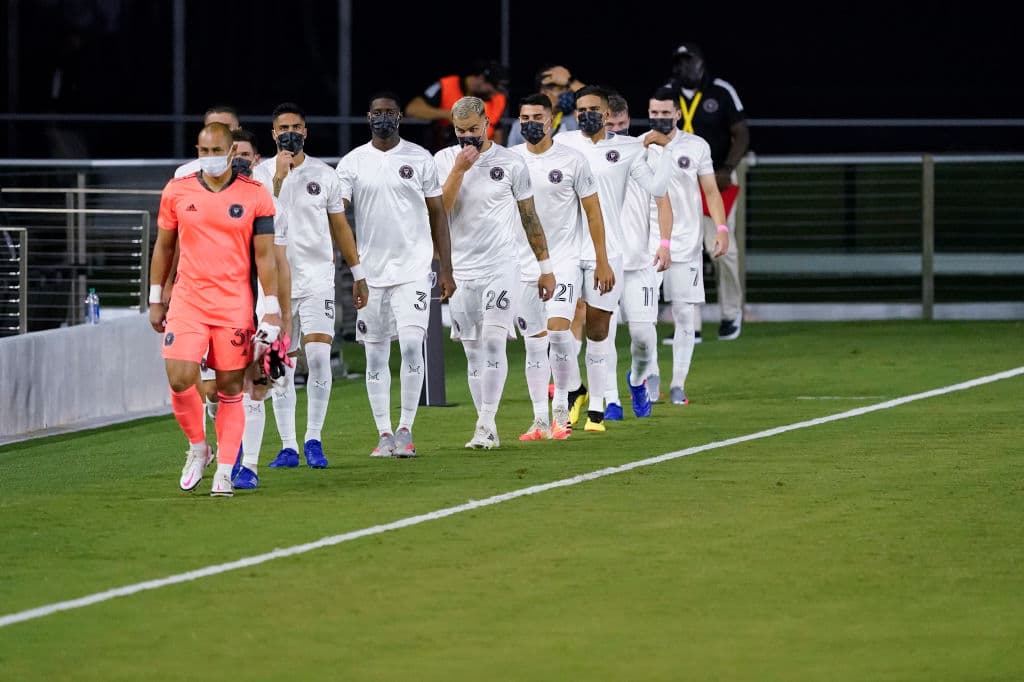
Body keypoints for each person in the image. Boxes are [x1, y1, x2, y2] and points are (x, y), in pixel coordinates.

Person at [148, 122, 280, 497]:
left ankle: (224, 469)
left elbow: (266, 256)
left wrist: (270, 308)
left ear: (230, 149)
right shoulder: (177, 190)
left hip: (233, 303)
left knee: (229, 388)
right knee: (179, 376)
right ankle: (198, 447)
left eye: (216, 151)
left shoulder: (255, 195)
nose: (209, 158)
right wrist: (157, 297)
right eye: (203, 151)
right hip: (189, 300)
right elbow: (164, 247)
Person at [334, 92, 456, 458]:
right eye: (377, 113)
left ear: (400, 117)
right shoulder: (352, 163)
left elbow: (438, 214)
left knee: (409, 346)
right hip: (371, 274)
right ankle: (383, 433)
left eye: (389, 112)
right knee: (375, 356)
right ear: (367, 117)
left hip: (414, 270)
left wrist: (444, 267)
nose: (383, 118)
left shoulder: (419, 158)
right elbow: (337, 216)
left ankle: (406, 429)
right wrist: (352, 265)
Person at [434, 95, 555, 449]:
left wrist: (545, 268)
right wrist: (459, 170)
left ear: (487, 123)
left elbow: (530, 216)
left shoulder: (511, 162)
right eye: (460, 131)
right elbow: (439, 213)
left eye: (473, 129)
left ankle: (485, 424)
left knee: (492, 339)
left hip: (502, 265)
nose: (468, 137)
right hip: (462, 269)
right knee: (473, 351)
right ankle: (486, 423)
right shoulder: (443, 161)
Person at [253, 102, 367, 470]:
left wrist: (358, 272)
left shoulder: (326, 174)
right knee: (279, 366)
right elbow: (258, 220)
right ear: (272, 134)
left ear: (306, 131)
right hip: (275, 287)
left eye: (296, 127)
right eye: (283, 127)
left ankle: (314, 438)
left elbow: (340, 227)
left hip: (317, 279)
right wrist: (279, 181)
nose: (290, 132)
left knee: (318, 358)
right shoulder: (259, 174)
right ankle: (287, 446)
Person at [554, 85, 673, 432]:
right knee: (555, 330)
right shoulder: (562, 144)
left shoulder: (627, 149)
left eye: (593, 109)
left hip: (610, 255)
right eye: (581, 109)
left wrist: (662, 154)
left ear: (606, 115)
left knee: (609, 332)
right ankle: (575, 392)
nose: (586, 115)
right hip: (566, 253)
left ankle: (610, 398)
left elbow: (658, 190)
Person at [509, 93, 614, 440]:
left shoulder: (572, 160)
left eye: (537, 117)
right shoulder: (509, 161)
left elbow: (594, 212)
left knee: (558, 332)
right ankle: (539, 420)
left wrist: (601, 260)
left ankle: (561, 413)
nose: (531, 124)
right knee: (533, 344)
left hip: (564, 262)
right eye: (524, 118)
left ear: (552, 119)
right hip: (522, 264)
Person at [645, 87, 729, 405]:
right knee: (645, 315)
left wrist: (721, 228)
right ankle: (651, 375)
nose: (661, 118)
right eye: (655, 113)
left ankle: (678, 382)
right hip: (649, 243)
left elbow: (710, 190)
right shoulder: (642, 146)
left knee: (683, 315)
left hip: (688, 243)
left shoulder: (696, 146)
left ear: (677, 114)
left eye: (666, 113)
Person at [666, 42, 749, 340]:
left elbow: (741, 132)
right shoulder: (667, 92)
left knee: (721, 248)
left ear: (700, 63)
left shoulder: (720, 90)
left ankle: (731, 312)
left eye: (689, 61)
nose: (683, 67)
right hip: (681, 180)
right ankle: (691, 324)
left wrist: (728, 167)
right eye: (679, 62)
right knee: (682, 250)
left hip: (717, 178)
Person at [227, 128, 293, 490]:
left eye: (244, 154)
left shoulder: (271, 205)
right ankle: (227, 451)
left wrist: (282, 315)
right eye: (231, 153)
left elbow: (281, 264)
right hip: (222, 307)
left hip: (261, 309)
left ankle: (248, 466)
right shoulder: (208, 202)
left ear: (256, 160)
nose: (237, 159)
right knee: (218, 390)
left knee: (258, 385)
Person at [605, 95, 673, 419]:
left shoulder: (646, 152)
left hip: (639, 262)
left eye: (620, 125)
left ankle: (636, 380)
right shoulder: (587, 155)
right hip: (603, 262)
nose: (615, 131)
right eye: (609, 125)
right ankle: (608, 400)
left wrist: (665, 243)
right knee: (601, 336)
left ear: (628, 120)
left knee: (643, 338)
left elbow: (662, 201)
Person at [405, 60, 509, 152]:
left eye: (499, 90)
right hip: (443, 153)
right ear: (481, 78)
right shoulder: (447, 85)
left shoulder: (497, 98)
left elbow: (497, 131)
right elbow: (412, 109)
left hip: (479, 158)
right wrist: (448, 115)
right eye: (494, 88)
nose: (495, 94)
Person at [506, 65, 585, 147]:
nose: (567, 93)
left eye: (567, 88)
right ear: (544, 92)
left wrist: (571, 81)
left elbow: (595, 102)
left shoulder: (575, 121)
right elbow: (510, 158)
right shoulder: (521, 127)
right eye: (560, 88)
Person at [173, 105, 241, 178]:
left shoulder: (253, 172)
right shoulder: (185, 173)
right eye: (213, 126)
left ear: (239, 130)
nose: (219, 131)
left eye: (225, 127)